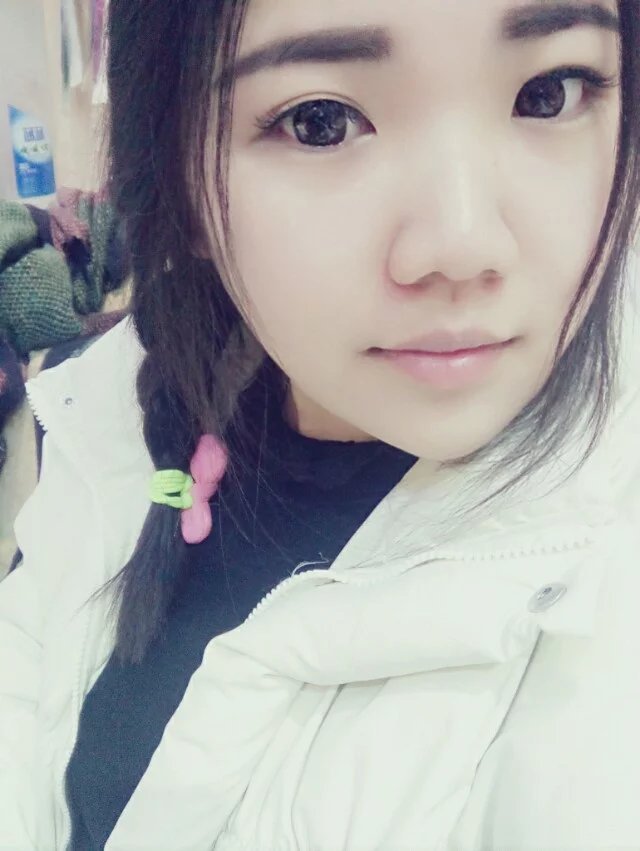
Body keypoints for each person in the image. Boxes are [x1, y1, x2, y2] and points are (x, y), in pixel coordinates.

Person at [1, 0, 639, 848]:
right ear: (182, 181)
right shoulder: (112, 405)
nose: (462, 245)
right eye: (321, 122)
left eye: (549, 94)